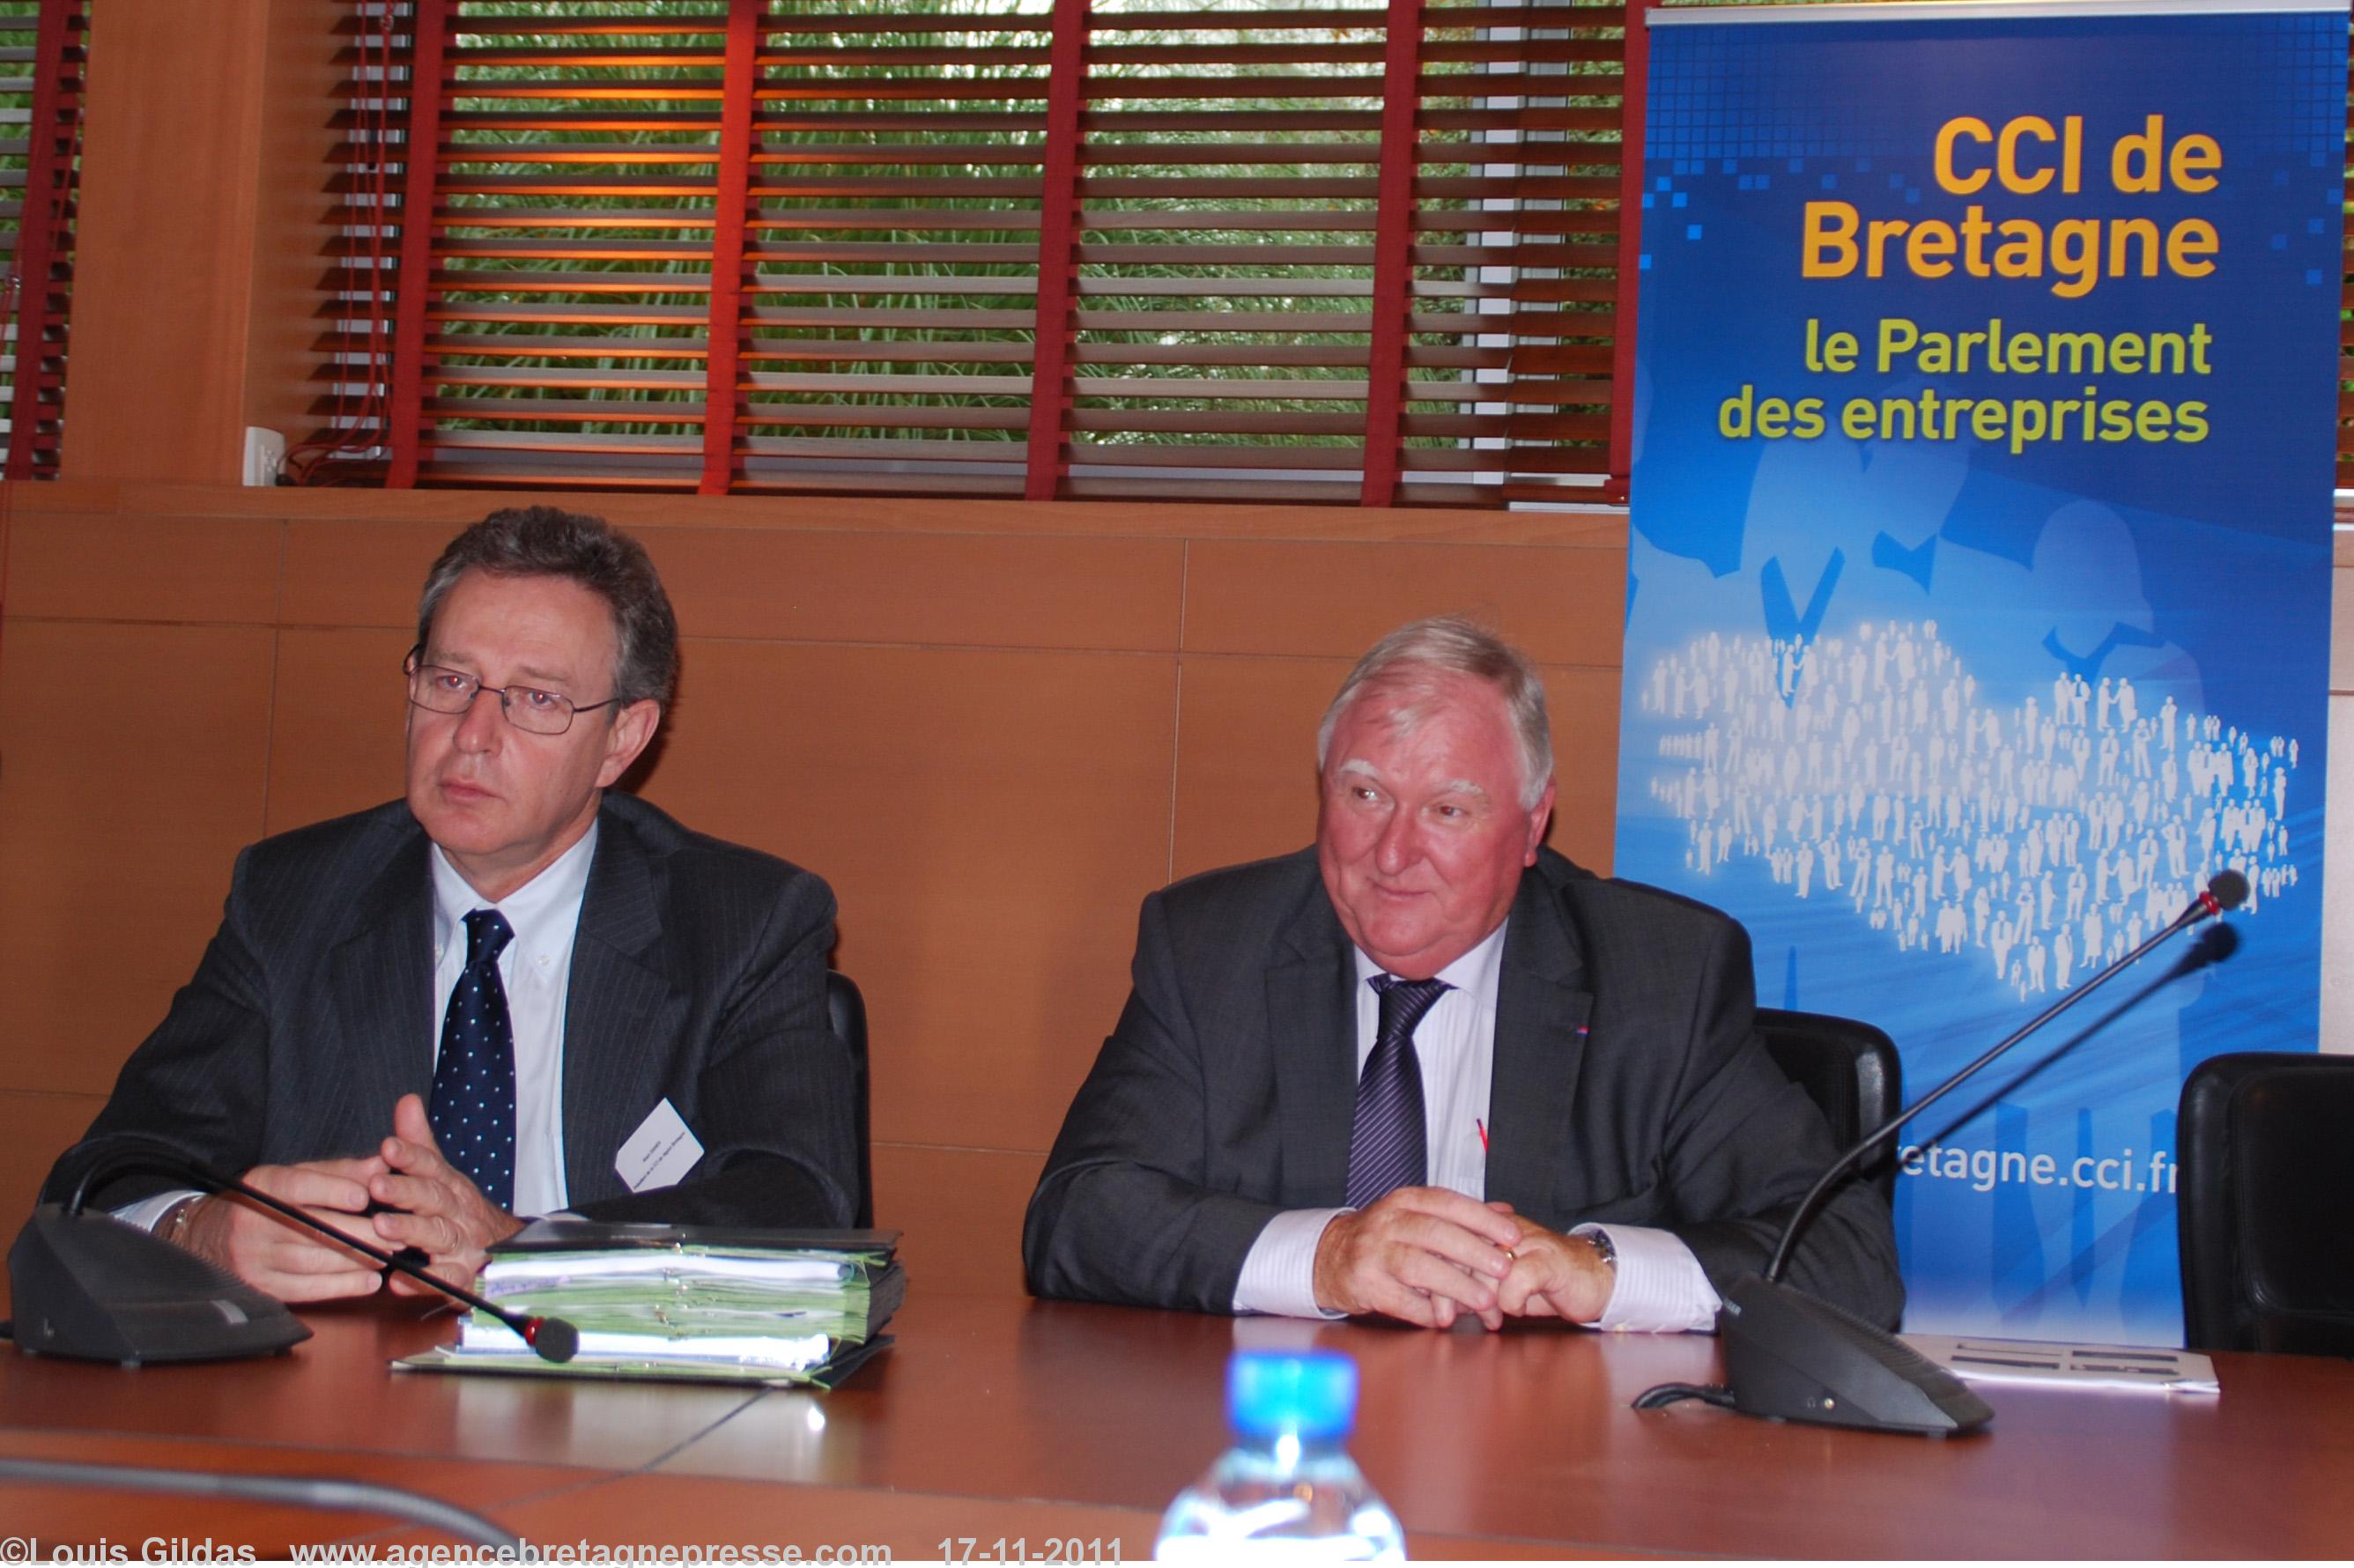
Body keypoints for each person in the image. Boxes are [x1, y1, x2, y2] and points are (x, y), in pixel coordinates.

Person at [43, 507, 859, 1300]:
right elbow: (103, 1179)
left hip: (613, 1412)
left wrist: (519, 1249)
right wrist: (201, 1233)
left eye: (535, 698)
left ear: (623, 738)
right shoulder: (292, 901)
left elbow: (798, 1201)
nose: (473, 733)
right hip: (337, 1408)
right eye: (451, 679)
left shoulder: (741, 923)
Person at [1023, 616, 1902, 1331]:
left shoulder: (1660, 974)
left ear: (1530, 828)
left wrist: (1601, 1269)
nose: (1393, 850)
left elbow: (1844, 1255)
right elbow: (1077, 1218)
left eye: (1447, 808)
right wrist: (1326, 1256)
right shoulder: (1213, 946)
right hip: (1277, 1444)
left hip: (1548, 1473)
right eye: (1363, 794)